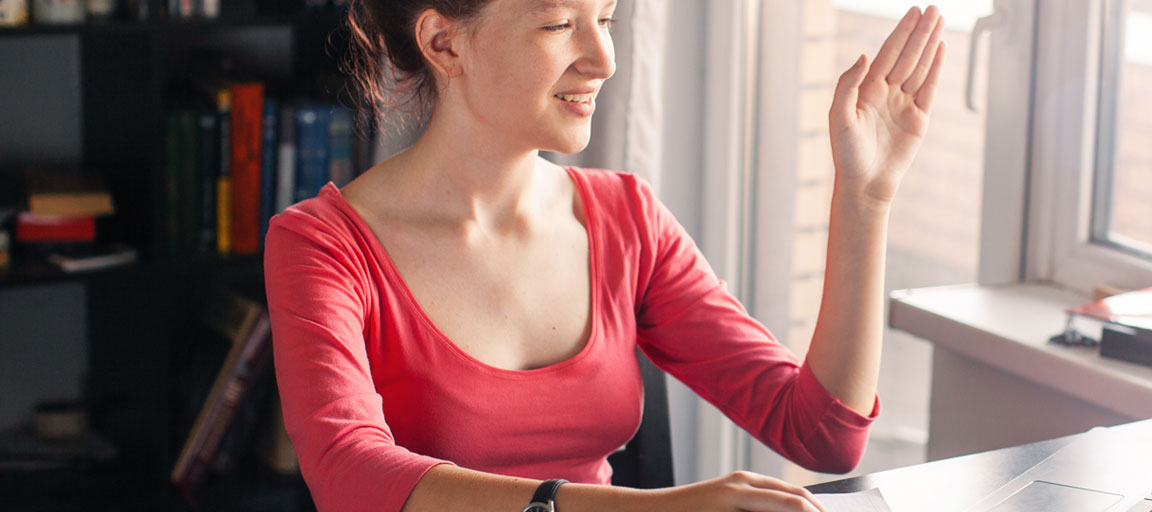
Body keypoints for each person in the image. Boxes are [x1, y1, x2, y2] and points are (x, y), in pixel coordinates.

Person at [263, 0, 947, 510]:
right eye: (560, 24)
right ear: (445, 42)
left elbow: (823, 435)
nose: (603, 59)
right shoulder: (322, 245)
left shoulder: (628, 219)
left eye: (608, 19)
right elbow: (350, 476)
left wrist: (865, 200)